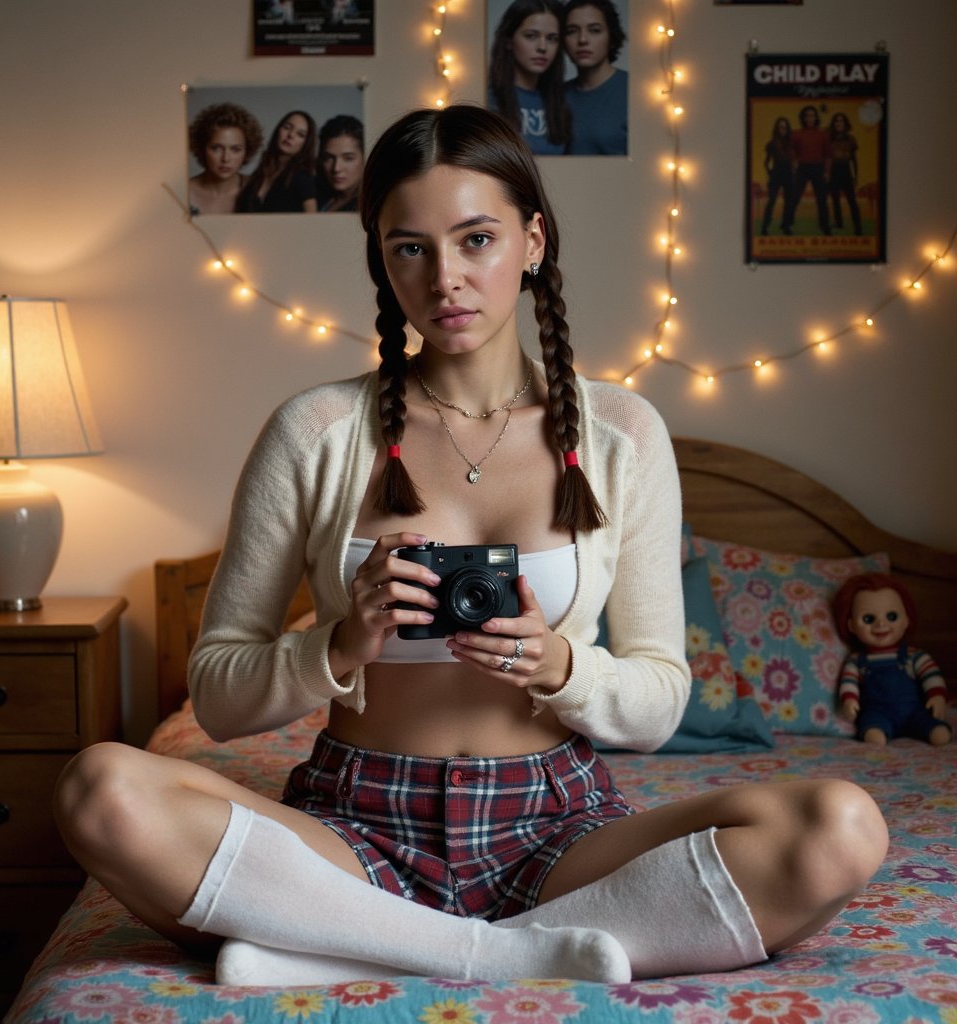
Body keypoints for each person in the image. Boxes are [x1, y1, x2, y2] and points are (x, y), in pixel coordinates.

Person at [53, 104, 888, 989]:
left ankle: (343, 941)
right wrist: (338, 644)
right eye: (409, 246)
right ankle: (503, 953)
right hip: (349, 828)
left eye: (477, 239)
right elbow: (217, 698)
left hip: (561, 829)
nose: (445, 277)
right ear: (382, 258)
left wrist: (563, 665)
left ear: (532, 241)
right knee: (100, 788)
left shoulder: (622, 434)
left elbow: (657, 701)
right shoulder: (316, 430)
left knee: (843, 825)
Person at [833, 572, 951, 746]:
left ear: (906, 620)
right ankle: (876, 733)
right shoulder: (857, 660)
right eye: (868, 619)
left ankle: (934, 731)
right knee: (873, 731)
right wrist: (849, 699)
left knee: (937, 732)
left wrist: (937, 696)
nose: (881, 624)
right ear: (851, 626)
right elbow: (848, 681)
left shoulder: (914, 655)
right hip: (877, 712)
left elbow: (931, 675)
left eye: (892, 617)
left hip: (913, 711)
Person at [487, 0, 571, 156]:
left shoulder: (561, 102)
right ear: (509, 41)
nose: (542, 47)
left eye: (552, 38)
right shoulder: (488, 97)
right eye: (531, 36)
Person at [561, 0, 629, 155]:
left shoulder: (634, 90)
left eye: (595, 30)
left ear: (611, 38)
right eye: (572, 31)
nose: (583, 39)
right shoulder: (556, 96)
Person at [187, 102, 264, 216]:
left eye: (235, 149)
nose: (225, 158)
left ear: (247, 152)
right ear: (202, 148)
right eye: (216, 148)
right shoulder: (184, 192)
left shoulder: (258, 190)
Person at [236, 110, 318, 214]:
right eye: (287, 127)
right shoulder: (262, 171)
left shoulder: (302, 177)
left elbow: (313, 221)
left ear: (306, 144)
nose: (291, 135)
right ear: (278, 130)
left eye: (300, 134)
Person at [785, 105, 831, 235]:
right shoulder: (796, 134)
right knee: (795, 198)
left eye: (812, 115)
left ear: (816, 117)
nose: (810, 118)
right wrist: (794, 161)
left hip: (818, 168)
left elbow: (827, 154)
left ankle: (825, 226)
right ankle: (787, 225)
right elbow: (792, 150)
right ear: (803, 118)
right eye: (807, 115)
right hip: (802, 168)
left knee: (822, 199)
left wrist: (827, 171)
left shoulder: (823, 134)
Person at [317, 114, 364, 212]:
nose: (336, 168)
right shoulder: (321, 197)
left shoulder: (367, 206)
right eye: (329, 158)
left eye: (348, 158)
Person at [827, 111, 862, 235]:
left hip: (846, 170)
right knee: (835, 199)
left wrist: (855, 176)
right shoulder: (829, 138)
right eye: (836, 121)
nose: (838, 123)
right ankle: (839, 223)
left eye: (841, 121)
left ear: (845, 123)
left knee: (852, 200)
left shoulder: (850, 139)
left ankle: (858, 227)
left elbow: (854, 159)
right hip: (834, 170)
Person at [759, 116, 793, 236]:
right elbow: (767, 161)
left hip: (788, 174)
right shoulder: (772, 143)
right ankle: (765, 226)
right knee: (771, 201)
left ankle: (786, 226)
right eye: (780, 127)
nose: (782, 129)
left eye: (784, 127)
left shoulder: (791, 143)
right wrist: (770, 172)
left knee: (788, 202)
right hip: (777, 173)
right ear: (777, 129)